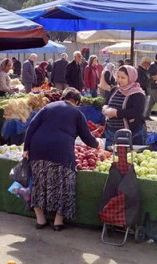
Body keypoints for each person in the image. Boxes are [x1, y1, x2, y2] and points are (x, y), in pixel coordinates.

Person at [22, 88, 99, 231]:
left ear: (63, 97)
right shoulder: (77, 113)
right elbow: (87, 137)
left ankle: (40, 220)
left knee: (38, 184)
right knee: (65, 185)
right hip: (61, 151)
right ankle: (58, 222)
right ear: (76, 102)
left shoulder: (47, 107)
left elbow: (31, 127)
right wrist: (97, 144)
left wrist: (26, 148)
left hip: (38, 148)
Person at [102, 65, 148, 145]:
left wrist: (117, 113)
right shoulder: (115, 89)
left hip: (130, 133)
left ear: (131, 78)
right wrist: (105, 108)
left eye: (123, 78)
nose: (119, 80)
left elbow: (137, 111)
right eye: (118, 76)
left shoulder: (137, 93)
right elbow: (106, 102)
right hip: (110, 132)